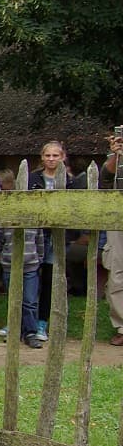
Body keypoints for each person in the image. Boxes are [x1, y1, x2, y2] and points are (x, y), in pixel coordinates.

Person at [26, 140, 85, 341]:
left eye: (55, 156)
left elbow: (76, 210)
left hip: (57, 237)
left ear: (63, 157)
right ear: (42, 158)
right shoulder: (32, 178)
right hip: (35, 235)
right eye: (47, 155)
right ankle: (26, 321)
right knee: (29, 277)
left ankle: (42, 323)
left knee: (50, 278)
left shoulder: (71, 182)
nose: (51, 159)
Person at [0, 221, 48, 349]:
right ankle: (14, 331)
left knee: (30, 301)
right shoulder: (6, 221)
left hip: (30, 266)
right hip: (9, 266)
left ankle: (30, 333)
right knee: (14, 301)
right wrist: (4, 258)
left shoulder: (35, 221)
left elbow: (40, 242)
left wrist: (38, 259)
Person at [101, 132, 123, 346]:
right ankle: (122, 327)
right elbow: (103, 180)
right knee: (117, 272)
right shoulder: (116, 156)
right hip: (118, 219)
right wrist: (116, 154)